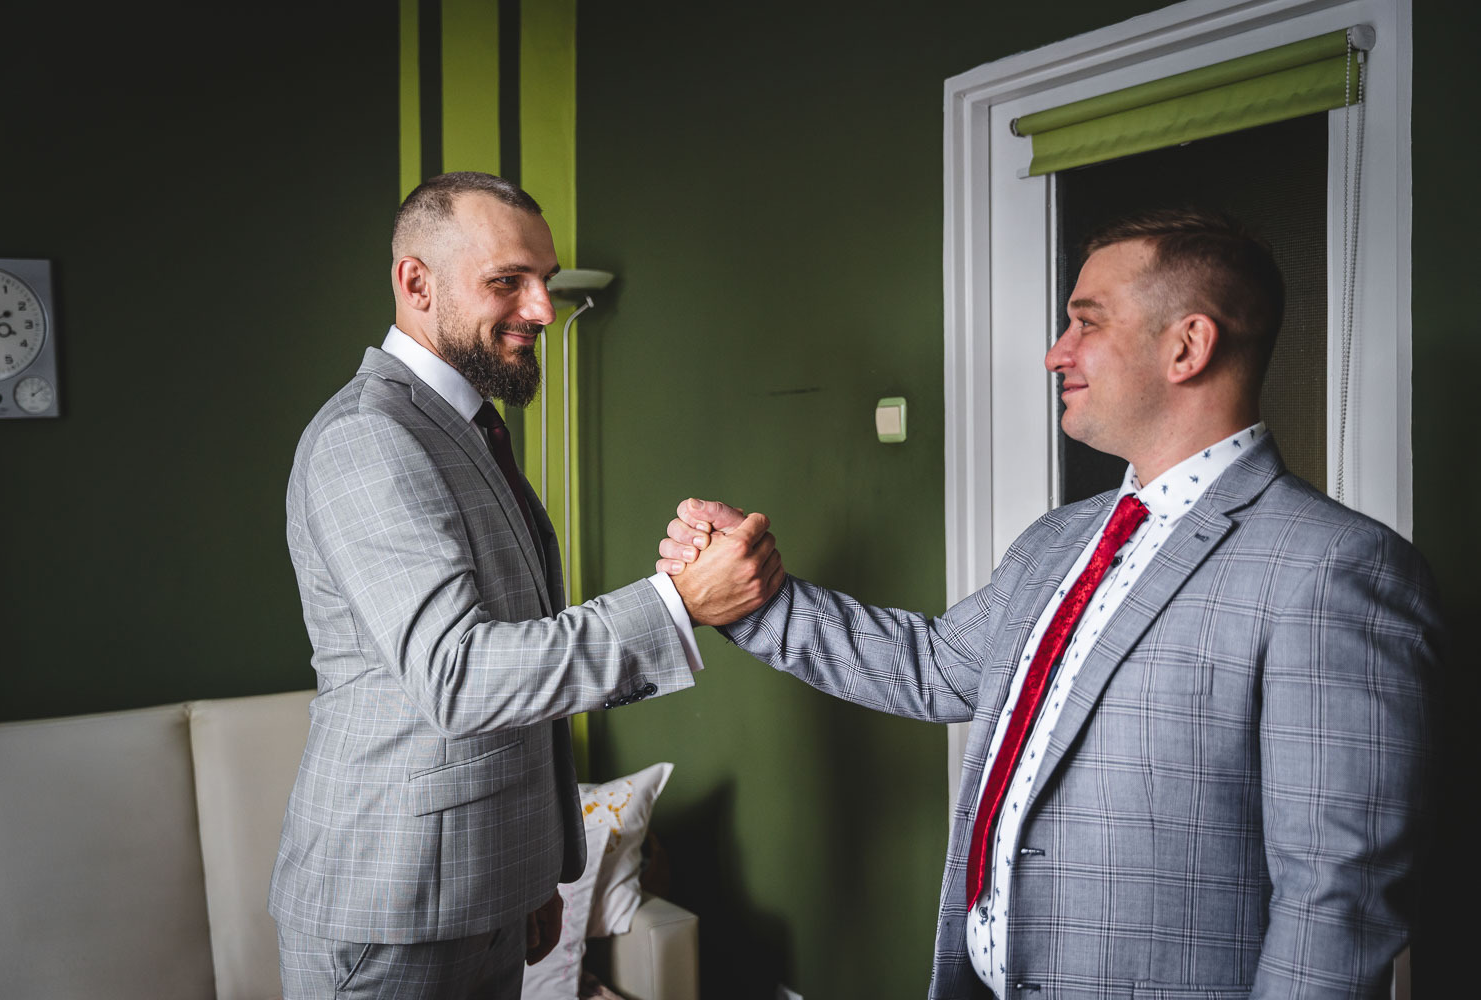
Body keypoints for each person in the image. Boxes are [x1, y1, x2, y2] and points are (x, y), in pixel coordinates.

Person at [659, 209, 1442, 999]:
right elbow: (933, 666)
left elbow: (1336, 905)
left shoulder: (1337, 568)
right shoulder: (1060, 539)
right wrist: (753, 595)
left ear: (1187, 347)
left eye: (1086, 322)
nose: (1056, 352)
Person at [269, 171, 781, 1000]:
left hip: (485, 888)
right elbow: (460, 675)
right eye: (508, 281)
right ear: (416, 283)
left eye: (543, 279)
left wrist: (532, 872)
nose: (542, 308)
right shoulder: (369, 436)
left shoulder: (466, 427)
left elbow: (515, 665)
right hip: (393, 910)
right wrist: (676, 605)